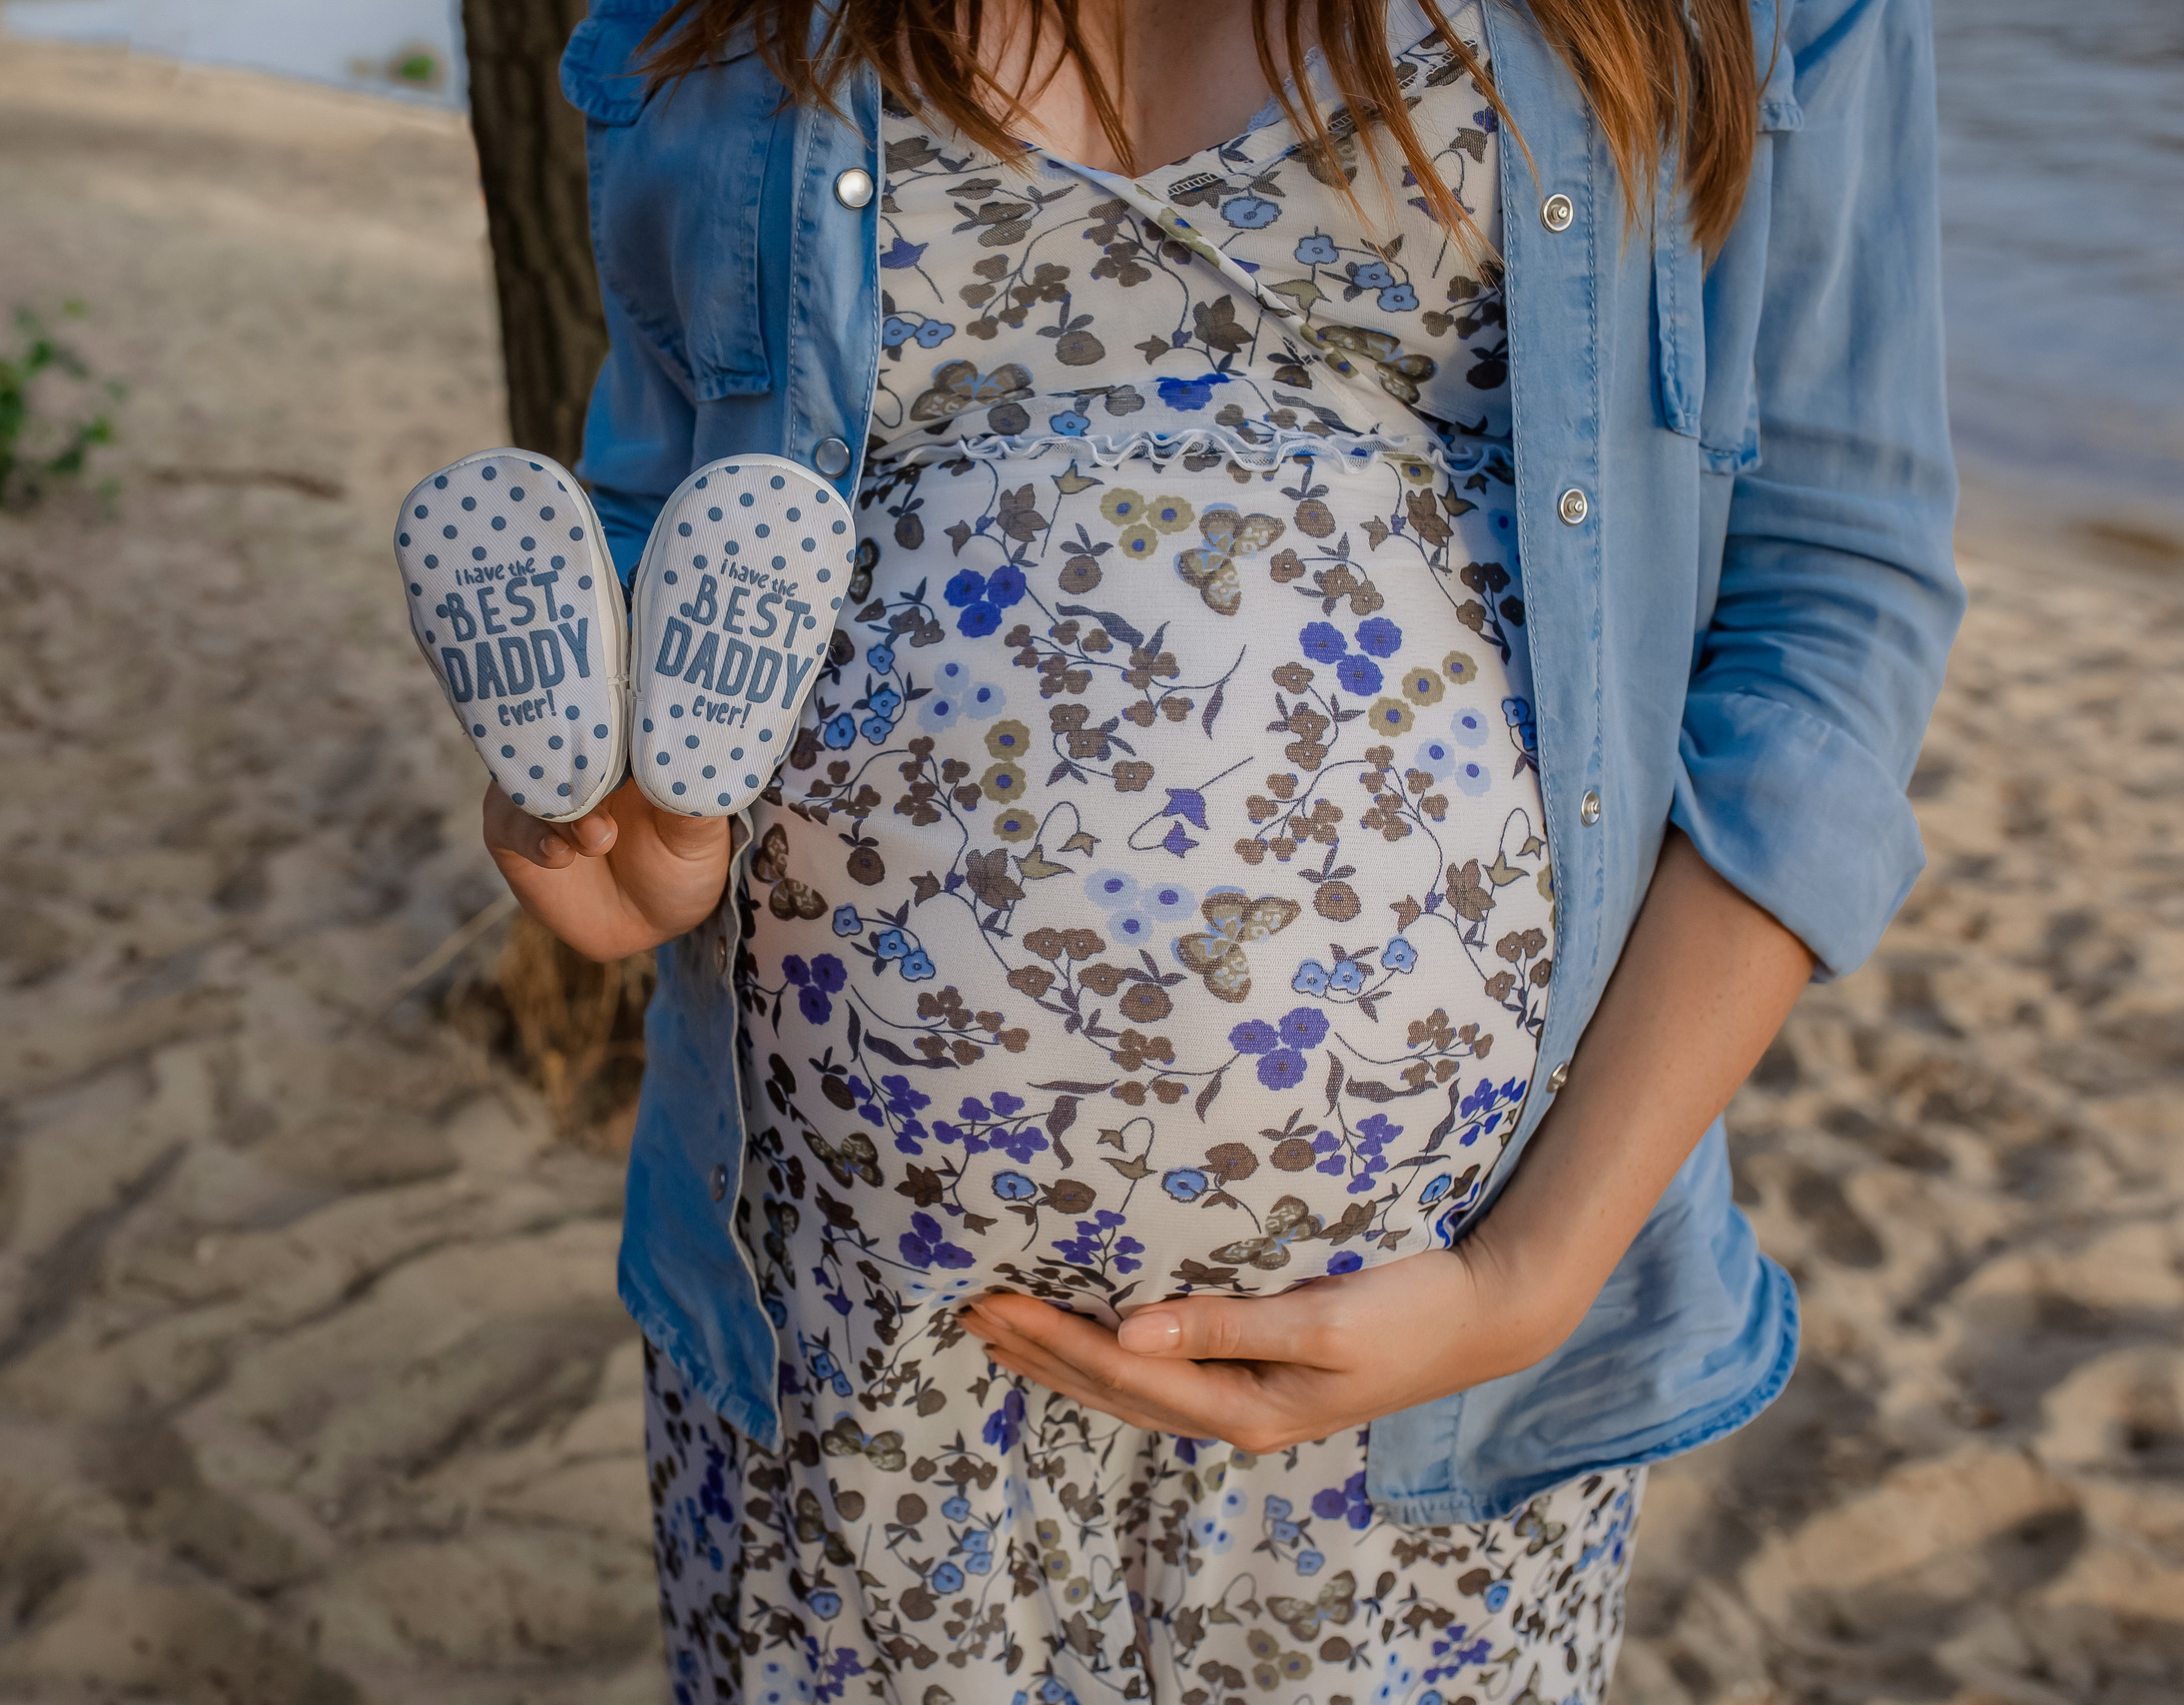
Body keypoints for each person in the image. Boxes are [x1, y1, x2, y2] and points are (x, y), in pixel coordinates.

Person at [485, 0, 1958, 1697]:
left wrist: (1532, 1274)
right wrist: (616, 815)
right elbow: (668, 492)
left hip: (1424, 1371)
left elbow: (1834, 596)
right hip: (846, 1337)